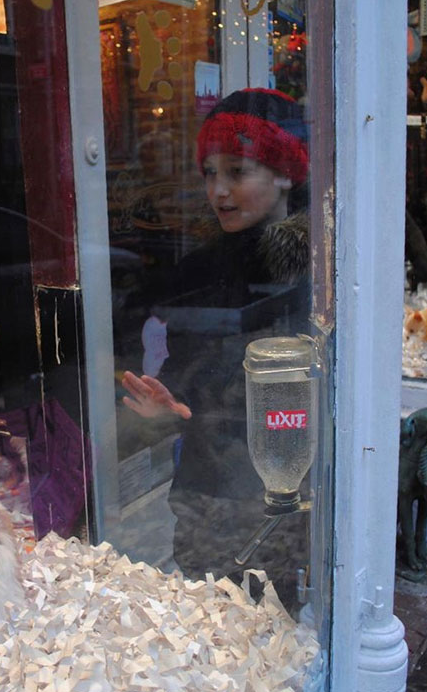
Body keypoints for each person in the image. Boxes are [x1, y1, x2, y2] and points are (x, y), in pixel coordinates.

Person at [120, 88, 311, 589]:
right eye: (209, 173)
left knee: (274, 617)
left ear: (285, 173)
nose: (218, 191)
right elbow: (184, 380)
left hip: (285, 495)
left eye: (237, 171)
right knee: (210, 608)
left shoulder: (322, 275)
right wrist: (166, 408)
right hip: (205, 488)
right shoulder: (198, 272)